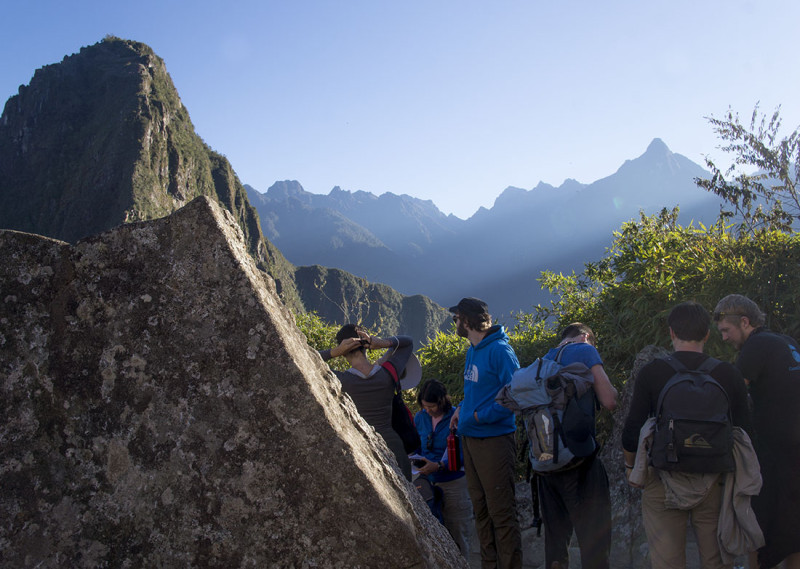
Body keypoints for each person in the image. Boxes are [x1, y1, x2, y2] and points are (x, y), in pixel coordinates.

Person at [622, 301, 752, 569]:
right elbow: (743, 431)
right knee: (716, 561)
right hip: (714, 478)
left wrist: (629, 467)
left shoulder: (652, 372)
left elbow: (631, 430)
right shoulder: (728, 374)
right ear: (707, 334)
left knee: (667, 563)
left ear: (671, 333)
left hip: (663, 479)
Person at [714, 294, 800, 569]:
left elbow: (732, 394)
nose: (724, 338)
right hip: (795, 450)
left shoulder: (757, 346)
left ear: (745, 322)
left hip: (774, 451)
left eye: (726, 330)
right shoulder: (786, 342)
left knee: (758, 524)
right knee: (795, 526)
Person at [536, 323, 618, 569]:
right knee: (594, 542)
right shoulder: (584, 350)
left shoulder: (542, 361)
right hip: (580, 461)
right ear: (584, 337)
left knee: (556, 546)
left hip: (545, 462)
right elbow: (610, 401)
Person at [448, 297, 522, 569]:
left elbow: (517, 393)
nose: (454, 323)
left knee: (501, 513)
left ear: (466, 321)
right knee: (480, 510)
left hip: (494, 441)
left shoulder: (500, 351)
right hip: (470, 438)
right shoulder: (473, 349)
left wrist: (481, 416)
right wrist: (463, 408)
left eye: (456, 319)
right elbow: (477, 389)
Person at [319, 324, 413, 481]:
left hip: (361, 448)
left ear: (343, 352)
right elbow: (408, 342)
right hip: (393, 446)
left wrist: (334, 352)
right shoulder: (388, 374)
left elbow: (304, 356)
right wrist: (381, 343)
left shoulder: (341, 380)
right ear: (366, 346)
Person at [414, 379, 475, 558]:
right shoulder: (421, 418)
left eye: (431, 406)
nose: (428, 411)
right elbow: (418, 445)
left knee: (458, 533)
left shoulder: (456, 416)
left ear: (441, 401)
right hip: (429, 482)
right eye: (425, 407)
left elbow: (466, 452)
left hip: (454, 482)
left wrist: (440, 465)